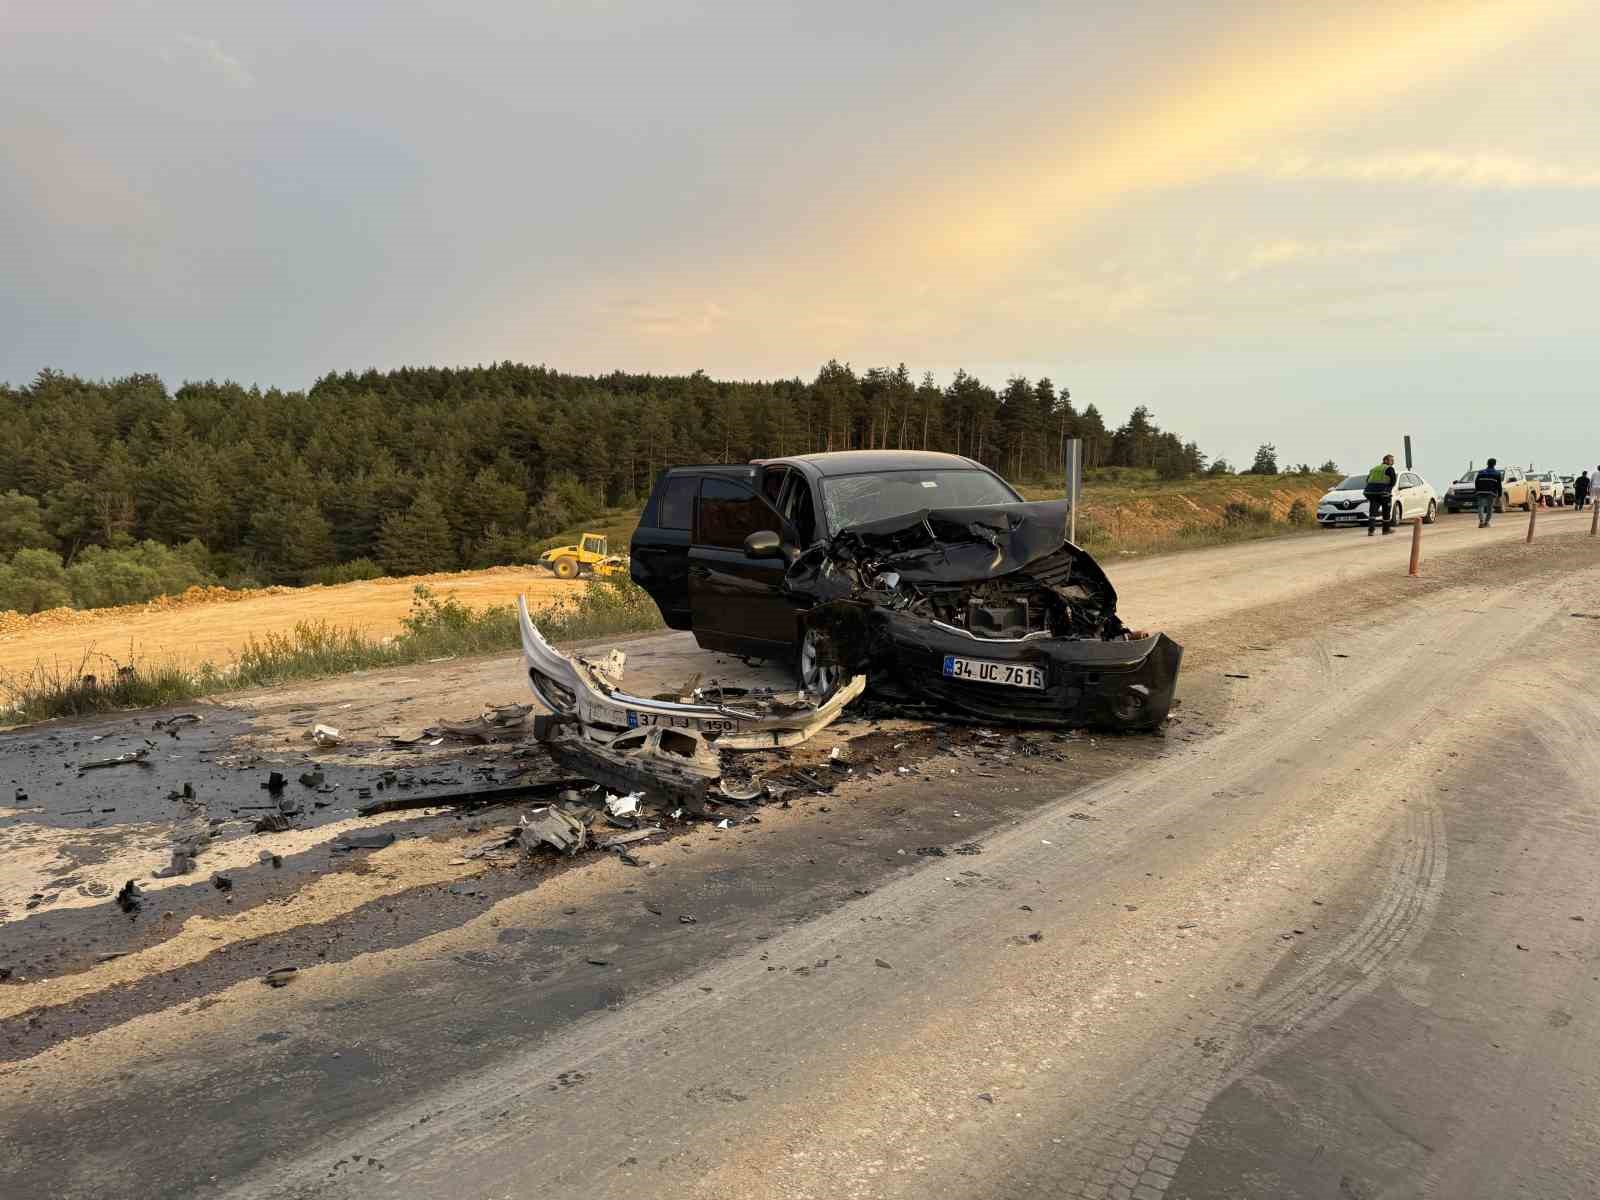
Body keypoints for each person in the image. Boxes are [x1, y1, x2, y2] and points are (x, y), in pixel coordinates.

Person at [1364, 453, 1398, 536]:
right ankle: (1386, 530)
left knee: (1373, 511)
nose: (1393, 462)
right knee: (1386, 511)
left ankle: (1371, 531)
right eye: (1391, 460)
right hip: (1383, 493)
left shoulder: (1374, 469)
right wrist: (1388, 490)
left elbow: (1367, 480)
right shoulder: (1389, 468)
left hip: (1370, 493)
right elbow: (1393, 481)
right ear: (1385, 460)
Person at [1474, 458, 1503, 527]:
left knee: (1480, 506)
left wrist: (1477, 490)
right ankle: (1486, 523)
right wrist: (1499, 495)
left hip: (1480, 492)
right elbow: (1499, 485)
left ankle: (1481, 522)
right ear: (1495, 464)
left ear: (1487, 463)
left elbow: (1476, 482)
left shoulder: (1480, 472)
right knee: (1489, 508)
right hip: (1491, 493)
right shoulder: (1497, 473)